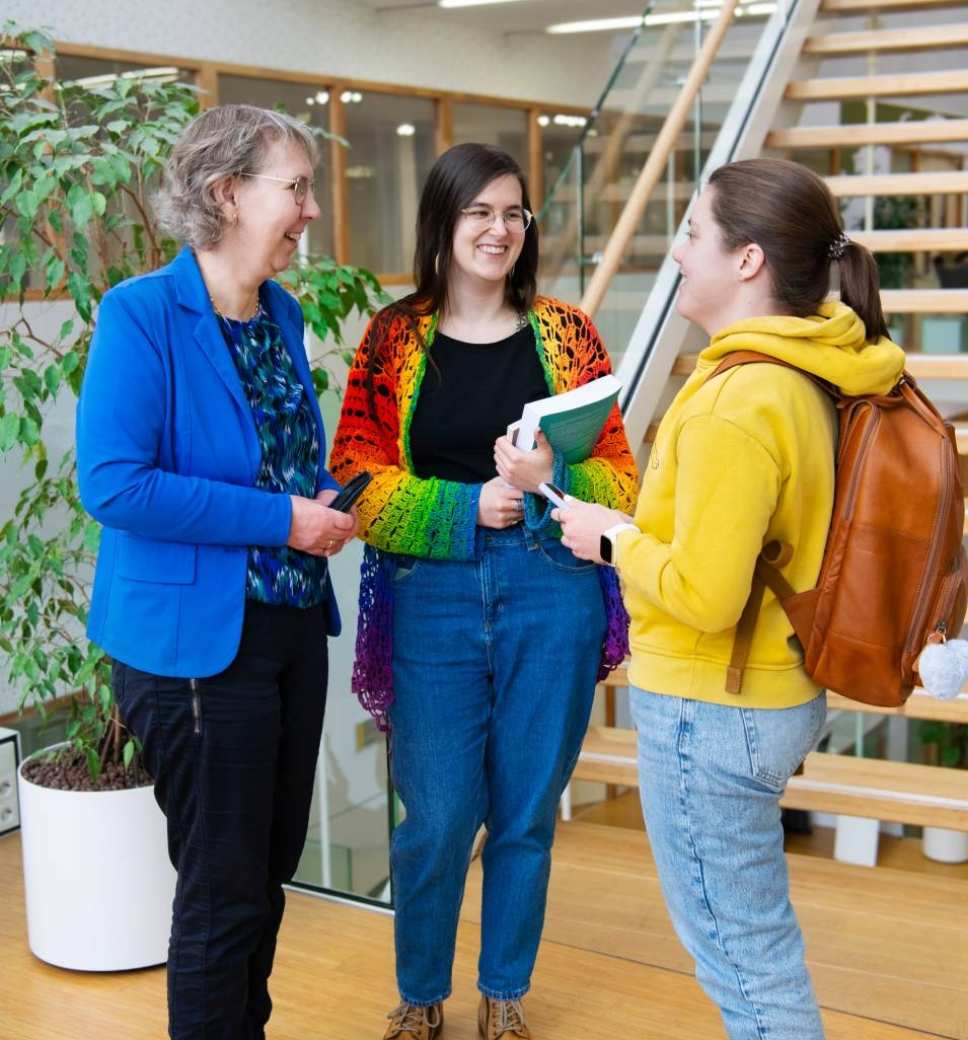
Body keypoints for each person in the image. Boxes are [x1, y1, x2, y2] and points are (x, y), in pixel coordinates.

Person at [554, 157, 906, 1040]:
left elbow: (705, 596)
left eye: (692, 235)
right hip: (773, 689)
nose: (675, 255)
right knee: (756, 948)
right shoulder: (818, 365)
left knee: (746, 967)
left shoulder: (736, 401)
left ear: (747, 261)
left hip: (712, 706)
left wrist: (613, 540)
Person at [329, 142, 637, 1040]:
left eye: (513, 214)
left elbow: (622, 476)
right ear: (443, 223)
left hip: (555, 590)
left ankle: (504, 993)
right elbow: (352, 474)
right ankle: (421, 997)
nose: (498, 230)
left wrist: (552, 478)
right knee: (437, 814)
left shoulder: (569, 334)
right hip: (433, 593)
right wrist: (472, 507)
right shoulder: (391, 336)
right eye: (478, 213)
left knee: (527, 813)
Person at [76, 104, 355, 1040]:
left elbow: (274, 458)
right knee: (221, 889)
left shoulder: (281, 312)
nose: (311, 211)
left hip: (285, 629)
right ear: (226, 193)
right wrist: (285, 517)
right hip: (194, 649)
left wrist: (322, 497)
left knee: (264, 872)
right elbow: (115, 484)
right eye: (298, 188)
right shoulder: (142, 314)